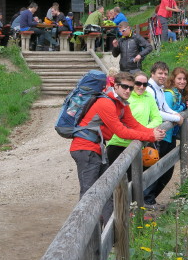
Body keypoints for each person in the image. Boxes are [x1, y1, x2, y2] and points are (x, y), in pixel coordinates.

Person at [70, 72, 165, 222]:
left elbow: (134, 125)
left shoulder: (121, 104)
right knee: (88, 192)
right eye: (125, 87)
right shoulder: (106, 103)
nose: (128, 91)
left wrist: (152, 131)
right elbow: (120, 131)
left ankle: (111, 229)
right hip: (85, 148)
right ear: (116, 86)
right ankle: (85, 234)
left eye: (130, 88)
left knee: (107, 188)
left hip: (97, 148)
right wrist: (150, 136)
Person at [106, 71, 163, 180]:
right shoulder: (125, 97)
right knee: (120, 183)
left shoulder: (148, 96)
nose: (141, 87)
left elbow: (157, 118)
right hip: (119, 144)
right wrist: (149, 133)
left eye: (145, 84)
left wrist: (148, 131)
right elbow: (123, 127)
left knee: (137, 181)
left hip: (139, 143)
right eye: (138, 83)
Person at [144, 61, 183, 208]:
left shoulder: (158, 89)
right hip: (152, 132)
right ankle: (146, 199)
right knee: (154, 166)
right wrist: (176, 118)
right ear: (152, 73)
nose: (163, 76)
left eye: (165, 74)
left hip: (158, 131)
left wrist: (177, 115)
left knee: (161, 166)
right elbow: (156, 112)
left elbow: (164, 107)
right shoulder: (149, 90)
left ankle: (148, 199)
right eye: (160, 73)